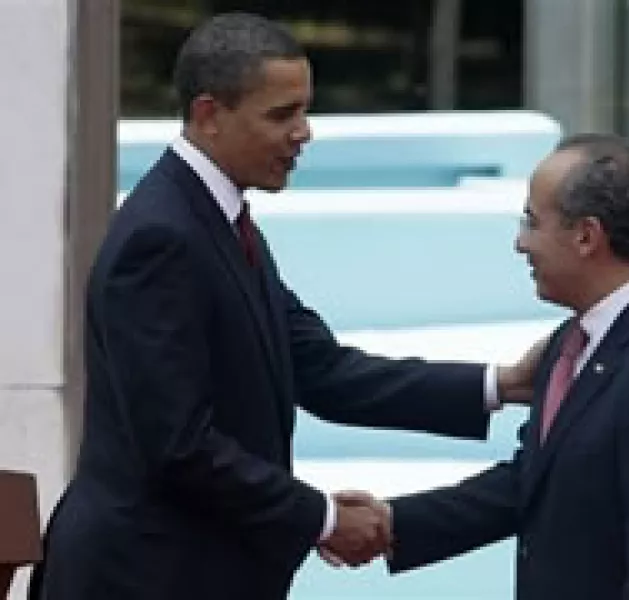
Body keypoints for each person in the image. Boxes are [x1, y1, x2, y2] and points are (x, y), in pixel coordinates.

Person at [28, 12, 542, 600]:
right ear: (208, 115)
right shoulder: (163, 239)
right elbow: (179, 446)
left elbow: (322, 370)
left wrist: (502, 384)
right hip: (145, 576)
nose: (304, 133)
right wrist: (322, 517)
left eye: (304, 110)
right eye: (281, 115)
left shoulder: (220, 222)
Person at [353, 133, 629, 599]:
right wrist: (394, 522)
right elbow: (535, 482)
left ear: (586, 236)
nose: (521, 244)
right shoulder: (578, 341)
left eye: (532, 222)